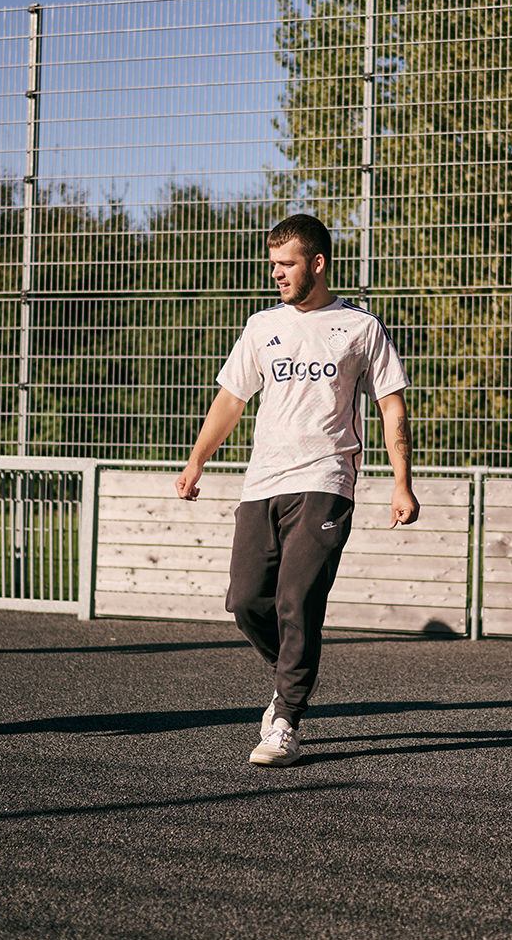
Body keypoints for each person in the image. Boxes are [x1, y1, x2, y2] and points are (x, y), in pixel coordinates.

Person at [177, 214, 418, 767]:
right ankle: (291, 669)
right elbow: (231, 401)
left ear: (318, 263)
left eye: (287, 264)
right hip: (262, 483)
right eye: (273, 265)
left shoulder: (360, 328)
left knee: (297, 598)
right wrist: (196, 461)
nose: (277, 274)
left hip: (327, 481)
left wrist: (402, 483)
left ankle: (286, 717)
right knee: (246, 601)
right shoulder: (262, 326)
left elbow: (391, 407)